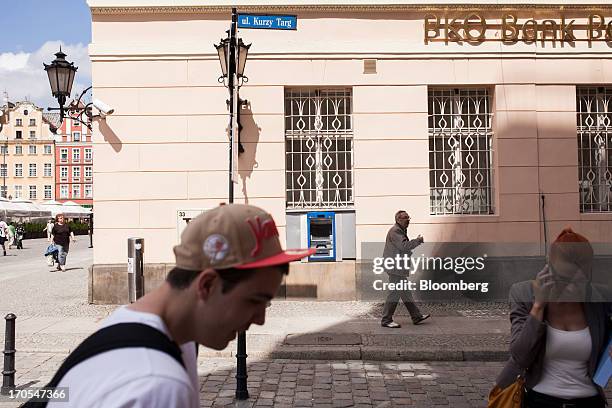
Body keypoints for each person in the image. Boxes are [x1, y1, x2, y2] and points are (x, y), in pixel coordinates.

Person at [42, 204, 314, 407]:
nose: (260, 319)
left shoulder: (141, 326)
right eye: (254, 301)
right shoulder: (157, 385)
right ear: (206, 285)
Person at [494, 228, 611, 408]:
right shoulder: (524, 293)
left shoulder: (600, 299)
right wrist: (538, 306)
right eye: (564, 279)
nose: (571, 288)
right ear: (549, 268)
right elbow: (520, 356)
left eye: (579, 281)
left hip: (589, 402)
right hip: (539, 401)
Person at [381, 210, 430, 328]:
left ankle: (416, 316)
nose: (408, 220)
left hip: (397, 266)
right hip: (395, 267)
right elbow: (404, 246)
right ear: (398, 219)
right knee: (394, 294)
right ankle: (386, 320)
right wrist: (418, 241)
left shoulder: (400, 230)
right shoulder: (395, 231)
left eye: (408, 218)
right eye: (405, 218)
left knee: (406, 293)